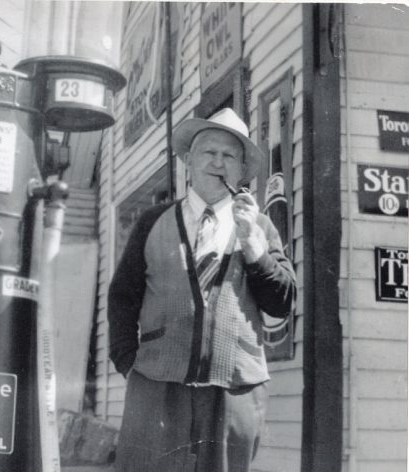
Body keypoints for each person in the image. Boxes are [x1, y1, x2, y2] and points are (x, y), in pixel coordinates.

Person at [108, 108, 296, 472]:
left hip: (235, 387)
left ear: (241, 171)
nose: (218, 162)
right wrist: (127, 360)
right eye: (209, 152)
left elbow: (283, 303)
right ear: (188, 162)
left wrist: (256, 251)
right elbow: (122, 297)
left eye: (230, 156)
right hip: (156, 384)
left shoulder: (260, 226)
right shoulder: (152, 222)